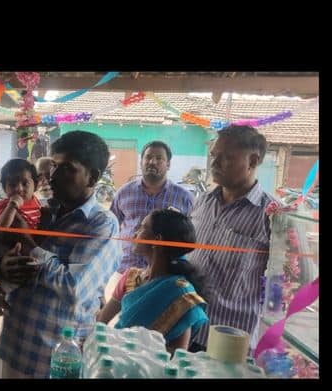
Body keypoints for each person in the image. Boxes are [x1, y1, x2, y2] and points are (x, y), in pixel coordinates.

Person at [0, 130, 121, 378]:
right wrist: (2, 270)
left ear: (92, 177)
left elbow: (74, 288)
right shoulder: (44, 212)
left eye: (66, 168)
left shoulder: (102, 226)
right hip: (12, 347)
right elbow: (5, 258)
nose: (53, 175)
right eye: (53, 166)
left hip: (53, 362)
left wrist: (28, 243)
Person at [187, 125, 278, 353]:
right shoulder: (202, 203)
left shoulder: (273, 215)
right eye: (213, 156)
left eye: (226, 157)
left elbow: (299, 277)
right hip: (187, 328)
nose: (214, 164)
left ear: (253, 161)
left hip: (230, 340)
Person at [97, 209, 209, 353]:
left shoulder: (182, 294)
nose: (135, 234)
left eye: (142, 228)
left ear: (157, 239)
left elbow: (177, 353)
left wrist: (131, 348)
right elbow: (101, 321)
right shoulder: (131, 277)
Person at [110, 141, 194, 274]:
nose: (152, 162)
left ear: (168, 164)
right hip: (124, 268)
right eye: (148, 157)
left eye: (159, 158)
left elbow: (188, 237)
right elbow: (112, 227)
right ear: (141, 161)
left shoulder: (184, 198)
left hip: (163, 274)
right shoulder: (124, 192)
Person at [0, 158, 42, 315]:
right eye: (12, 184)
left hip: (27, 246)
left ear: (35, 185)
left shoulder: (38, 204)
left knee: (31, 269)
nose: (19, 189)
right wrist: (13, 205)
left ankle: (0, 293)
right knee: (21, 269)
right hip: (9, 247)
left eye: (25, 183)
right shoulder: (4, 205)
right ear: (4, 188)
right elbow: (1, 228)